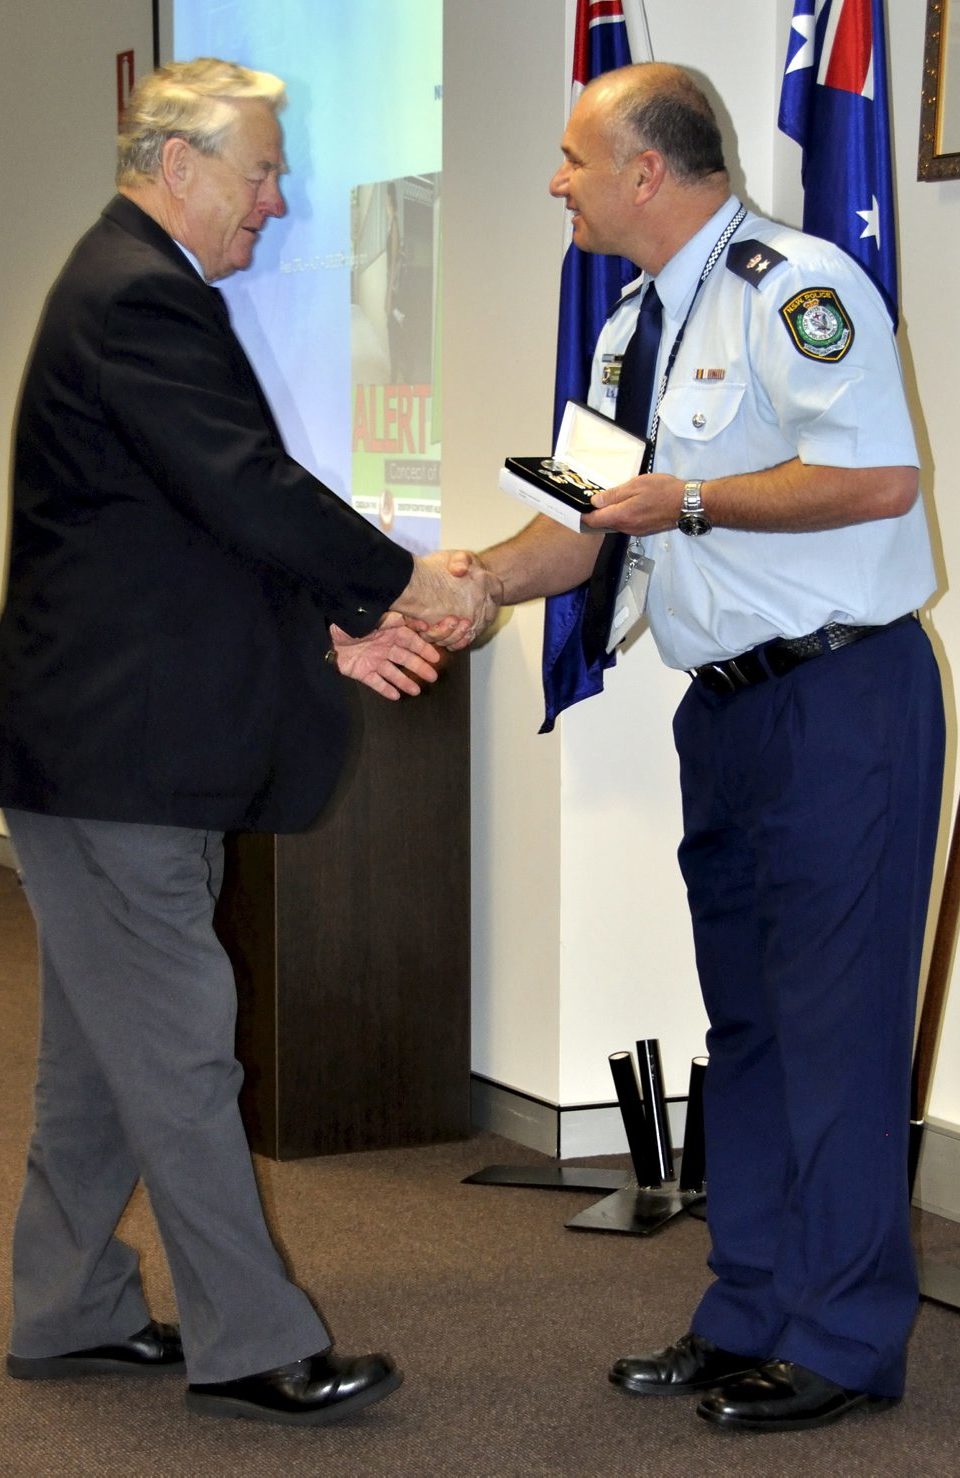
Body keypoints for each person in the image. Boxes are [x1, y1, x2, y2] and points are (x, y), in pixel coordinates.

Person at [0, 58, 494, 1427]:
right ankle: (251, 1338)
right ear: (178, 163)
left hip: (106, 752)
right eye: (263, 170)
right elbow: (247, 486)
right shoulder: (139, 294)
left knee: (105, 1057)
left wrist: (335, 623)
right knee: (181, 1046)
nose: (279, 201)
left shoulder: (125, 287)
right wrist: (398, 584)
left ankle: (66, 1305)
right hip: (116, 763)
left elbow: (190, 525)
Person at [456, 62, 945, 1434]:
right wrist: (478, 581)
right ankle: (749, 1308)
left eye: (571, 157)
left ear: (646, 171)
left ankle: (843, 1337)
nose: (555, 180)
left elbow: (878, 475)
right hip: (724, 710)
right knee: (749, 1023)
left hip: (842, 699)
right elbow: (582, 522)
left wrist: (698, 499)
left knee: (836, 1027)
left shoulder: (799, 288)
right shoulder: (623, 332)